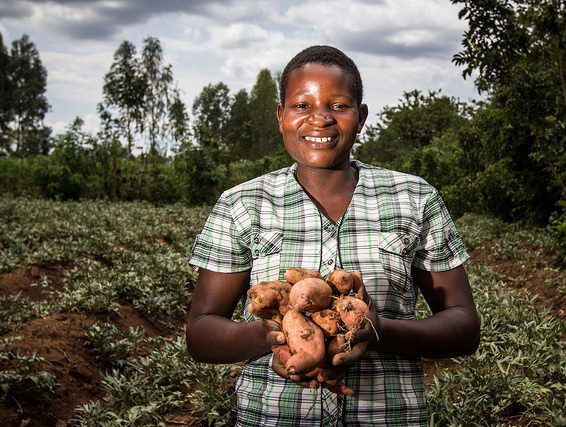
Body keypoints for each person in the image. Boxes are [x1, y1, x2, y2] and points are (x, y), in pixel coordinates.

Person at [186, 45, 480, 426]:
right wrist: (272, 336)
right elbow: (200, 332)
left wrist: (378, 331)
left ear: (360, 117)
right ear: (281, 116)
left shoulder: (415, 198)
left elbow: (463, 327)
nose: (320, 118)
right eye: (301, 105)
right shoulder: (242, 203)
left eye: (338, 105)